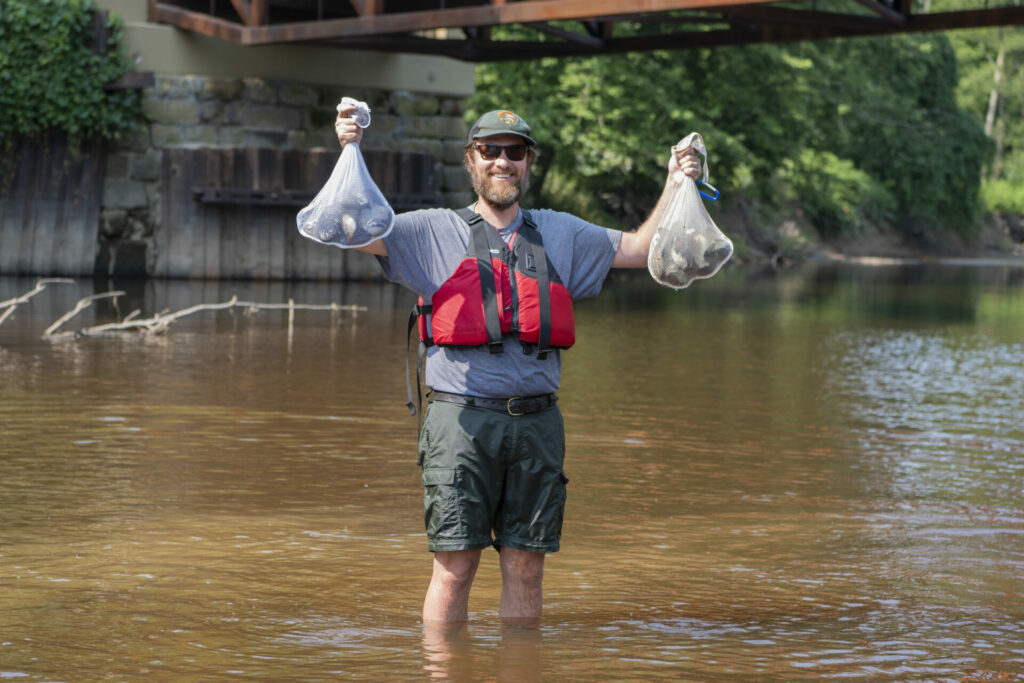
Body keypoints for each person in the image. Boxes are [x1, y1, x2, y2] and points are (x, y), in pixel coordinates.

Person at [331, 103, 701, 624]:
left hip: (537, 423)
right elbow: (350, 230)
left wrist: (674, 181)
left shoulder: (562, 233)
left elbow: (642, 249)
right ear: (471, 160)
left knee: (527, 568)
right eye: (491, 151)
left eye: (515, 152)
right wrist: (351, 148)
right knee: (455, 568)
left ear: (529, 162)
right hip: (461, 423)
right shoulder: (429, 231)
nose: (503, 162)